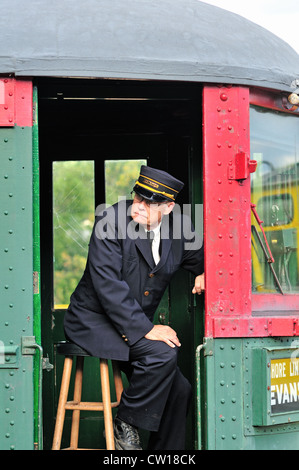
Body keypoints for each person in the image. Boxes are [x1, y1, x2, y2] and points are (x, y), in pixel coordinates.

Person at [64, 165, 205, 450]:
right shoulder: (110, 219)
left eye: (148, 203)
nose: (138, 207)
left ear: (168, 207)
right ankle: (123, 424)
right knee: (164, 353)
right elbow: (108, 287)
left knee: (181, 390)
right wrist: (147, 329)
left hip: (131, 326)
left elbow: (204, 257)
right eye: (137, 197)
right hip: (94, 322)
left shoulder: (180, 227)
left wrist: (205, 271)